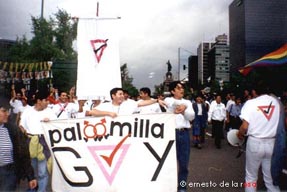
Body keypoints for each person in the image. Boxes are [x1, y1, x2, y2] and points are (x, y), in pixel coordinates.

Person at [237, 82, 282, 192]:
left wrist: (239, 134)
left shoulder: (250, 103)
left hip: (255, 143)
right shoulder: (277, 103)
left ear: (254, 92)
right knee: (270, 179)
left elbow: (244, 126)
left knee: (251, 177)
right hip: (272, 143)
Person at [19, 94, 56, 192]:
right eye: (45, 100)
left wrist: (50, 122)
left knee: (42, 172)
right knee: (32, 170)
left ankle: (42, 190)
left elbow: (56, 126)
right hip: (30, 143)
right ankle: (33, 188)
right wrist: (27, 136)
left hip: (44, 144)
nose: (47, 102)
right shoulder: (28, 111)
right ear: (39, 101)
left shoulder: (50, 112)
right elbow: (21, 125)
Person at [164, 81, 195, 192]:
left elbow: (191, 117)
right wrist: (181, 106)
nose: (181, 90)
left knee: (184, 164)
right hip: (171, 134)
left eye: (182, 88)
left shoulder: (187, 102)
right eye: (178, 88)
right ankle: (169, 187)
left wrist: (184, 110)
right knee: (169, 163)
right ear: (172, 91)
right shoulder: (168, 100)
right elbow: (171, 105)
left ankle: (182, 187)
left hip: (184, 134)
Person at [0, 104, 37, 191]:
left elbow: (23, 154)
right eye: (4, 111)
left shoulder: (13, 130)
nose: (8, 114)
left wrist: (31, 177)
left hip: (9, 172)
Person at [86, 87, 166, 117]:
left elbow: (142, 103)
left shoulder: (129, 104)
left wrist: (157, 100)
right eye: (120, 94)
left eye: (123, 94)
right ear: (113, 96)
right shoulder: (105, 105)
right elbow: (92, 112)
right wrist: (108, 113)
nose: (122, 96)